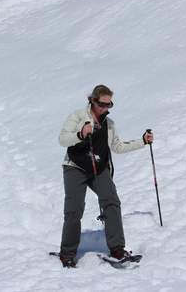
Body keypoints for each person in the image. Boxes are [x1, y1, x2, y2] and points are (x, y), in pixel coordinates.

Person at [57, 84, 155, 268]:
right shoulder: (78, 116)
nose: (105, 108)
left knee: (111, 201)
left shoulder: (109, 125)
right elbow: (62, 139)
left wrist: (142, 141)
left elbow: (117, 146)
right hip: (75, 167)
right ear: (93, 101)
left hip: (98, 169)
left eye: (109, 105)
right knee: (74, 209)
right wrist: (80, 133)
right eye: (101, 104)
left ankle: (117, 249)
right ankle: (67, 253)